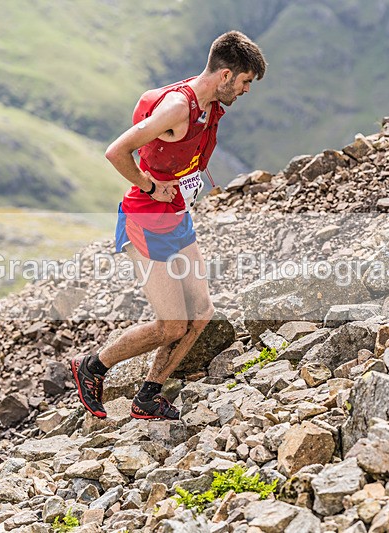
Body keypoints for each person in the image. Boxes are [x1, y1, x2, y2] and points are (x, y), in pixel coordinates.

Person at [71, 30, 266, 420]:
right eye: (245, 81)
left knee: (201, 313)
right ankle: (92, 366)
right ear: (226, 75)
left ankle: (148, 396)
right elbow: (116, 151)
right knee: (172, 325)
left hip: (178, 217)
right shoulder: (178, 108)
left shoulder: (210, 104)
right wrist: (149, 186)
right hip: (145, 221)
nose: (246, 90)